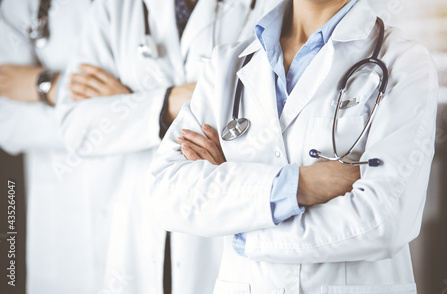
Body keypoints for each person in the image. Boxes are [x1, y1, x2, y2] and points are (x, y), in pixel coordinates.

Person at [149, 0, 439, 293]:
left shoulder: (404, 61)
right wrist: (298, 185)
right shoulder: (228, 62)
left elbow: (381, 222)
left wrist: (245, 233)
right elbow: (168, 195)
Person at [55, 0, 282, 293]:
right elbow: (76, 126)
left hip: (221, 223)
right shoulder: (116, 7)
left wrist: (129, 102)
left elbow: (273, 113)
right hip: (138, 220)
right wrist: (169, 102)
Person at [0, 0, 116, 293]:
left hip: (140, 196)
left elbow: (174, 100)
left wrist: (45, 88)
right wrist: (122, 107)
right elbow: (8, 117)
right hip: (62, 207)